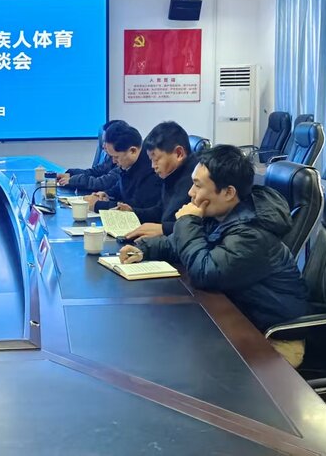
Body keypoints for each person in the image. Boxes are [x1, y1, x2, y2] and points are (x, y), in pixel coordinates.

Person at [118, 145, 308, 366]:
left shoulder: (253, 233)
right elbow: (181, 244)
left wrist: (187, 222)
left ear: (228, 192)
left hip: (272, 340)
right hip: (237, 320)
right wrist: (144, 248)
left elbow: (205, 272)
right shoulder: (224, 213)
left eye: (198, 185)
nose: (191, 193)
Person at [121, 121, 197, 241]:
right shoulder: (172, 174)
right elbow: (161, 210)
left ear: (179, 153)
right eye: (151, 160)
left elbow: (202, 227)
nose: (153, 166)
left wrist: (164, 229)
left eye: (156, 159)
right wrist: (133, 212)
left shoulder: (196, 180)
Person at [85, 122, 163, 212]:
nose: (114, 161)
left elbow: (134, 206)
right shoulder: (130, 164)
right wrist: (106, 194)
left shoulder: (151, 170)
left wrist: (97, 205)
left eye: (116, 157)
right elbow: (121, 187)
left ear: (132, 151)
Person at [56, 120, 125, 193]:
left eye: (106, 142)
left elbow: (103, 183)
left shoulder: (123, 162)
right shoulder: (110, 157)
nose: (103, 146)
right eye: (103, 141)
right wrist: (70, 174)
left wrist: (73, 180)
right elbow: (95, 171)